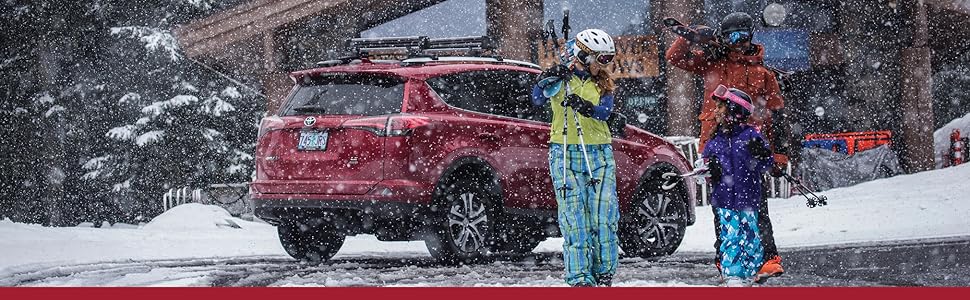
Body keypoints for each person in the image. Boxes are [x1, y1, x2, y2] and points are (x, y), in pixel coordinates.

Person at [665, 11, 786, 282]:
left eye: (742, 36)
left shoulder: (762, 73)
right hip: (716, 145)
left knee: (757, 205)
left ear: (751, 36)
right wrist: (692, 36)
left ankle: (768, 257)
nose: (738, 42)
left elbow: (776, 116)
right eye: (731, 36)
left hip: (750, 146)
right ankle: (725, 257)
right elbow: (674, 58)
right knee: (723, 206)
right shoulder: (711, 63)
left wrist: (777, 155)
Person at [532, 28, 619, 287]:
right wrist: (546, 78)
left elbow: (605, 112)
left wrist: (586, 107)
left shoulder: (602, 83)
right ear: (583, 55)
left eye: (608, 59)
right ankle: (580, 277)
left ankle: (604, 273)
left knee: (603, 217)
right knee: (574, 218)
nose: (604, 65)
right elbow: (537, 99)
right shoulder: (563, 78)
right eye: (601, 59)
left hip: (599, 152)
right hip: (565, 149)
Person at [701, 85, 774, 286]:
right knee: (730, 236)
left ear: (734, 110)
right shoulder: (715, 140)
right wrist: (710, 169)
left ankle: (752, 271)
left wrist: (762, 154)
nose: (715, 111)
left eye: (720, 108)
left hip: (749, 198)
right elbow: (704, 167)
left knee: (751, 235)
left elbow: (766, 164)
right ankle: (732, 274)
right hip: (723, 199)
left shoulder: (751, 136)